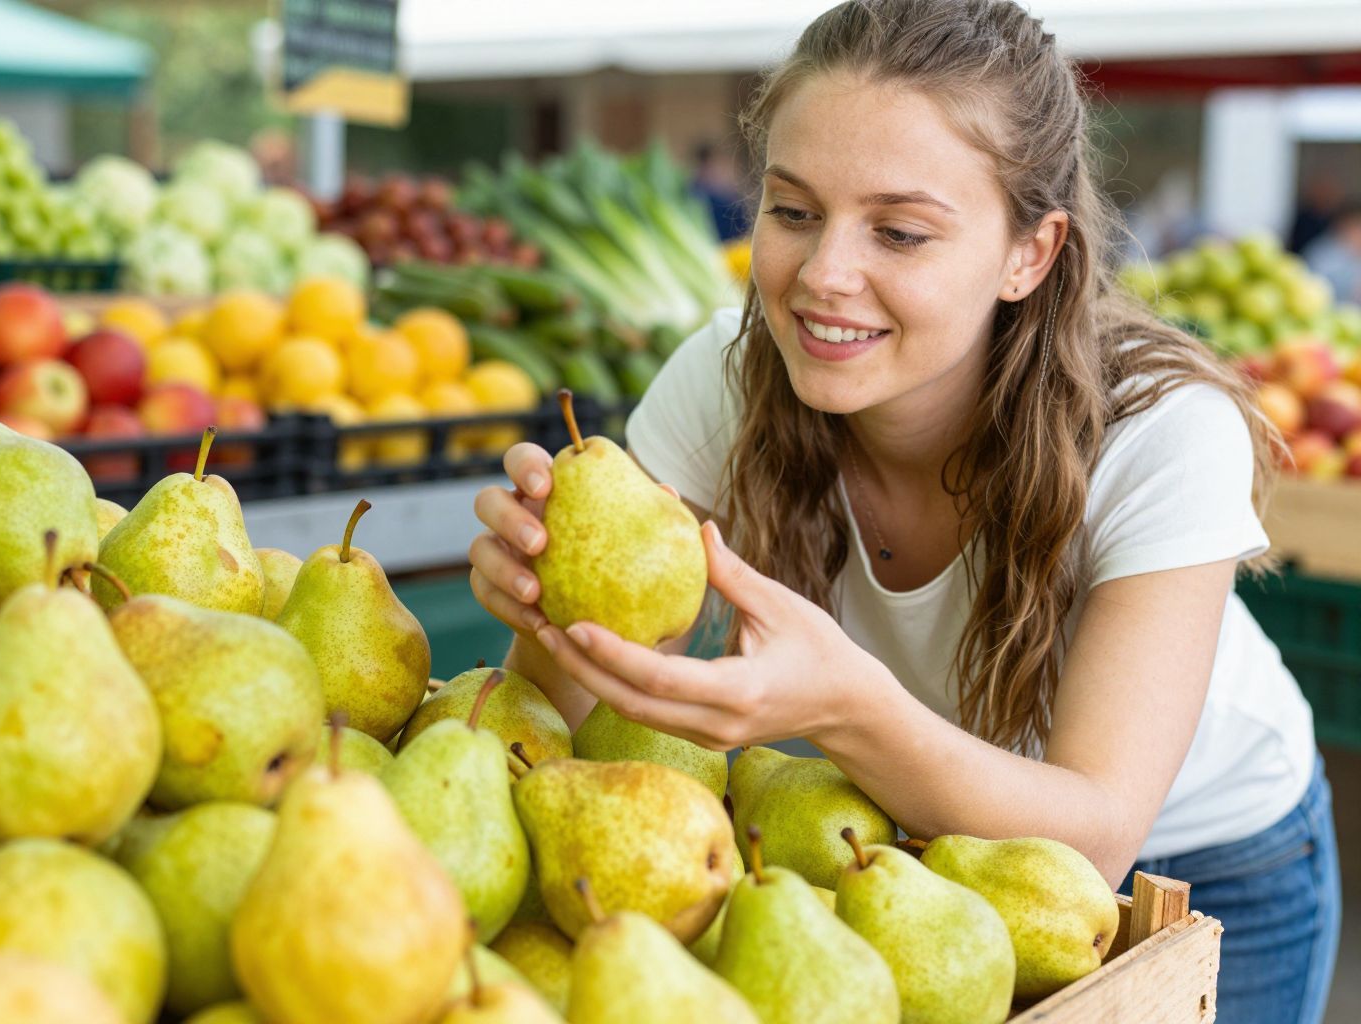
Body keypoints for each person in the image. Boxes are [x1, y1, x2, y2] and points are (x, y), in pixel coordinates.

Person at [468, 3, 1340, 1022]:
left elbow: (1097, 834)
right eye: (793, 212)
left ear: (1032, 250)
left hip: (1202, 864)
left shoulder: (1161, 430)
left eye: (900, 231)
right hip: (905, 841)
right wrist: (546, 603)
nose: (825, 276)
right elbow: (564, 719)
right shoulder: (723, 375)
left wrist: (841, 706)